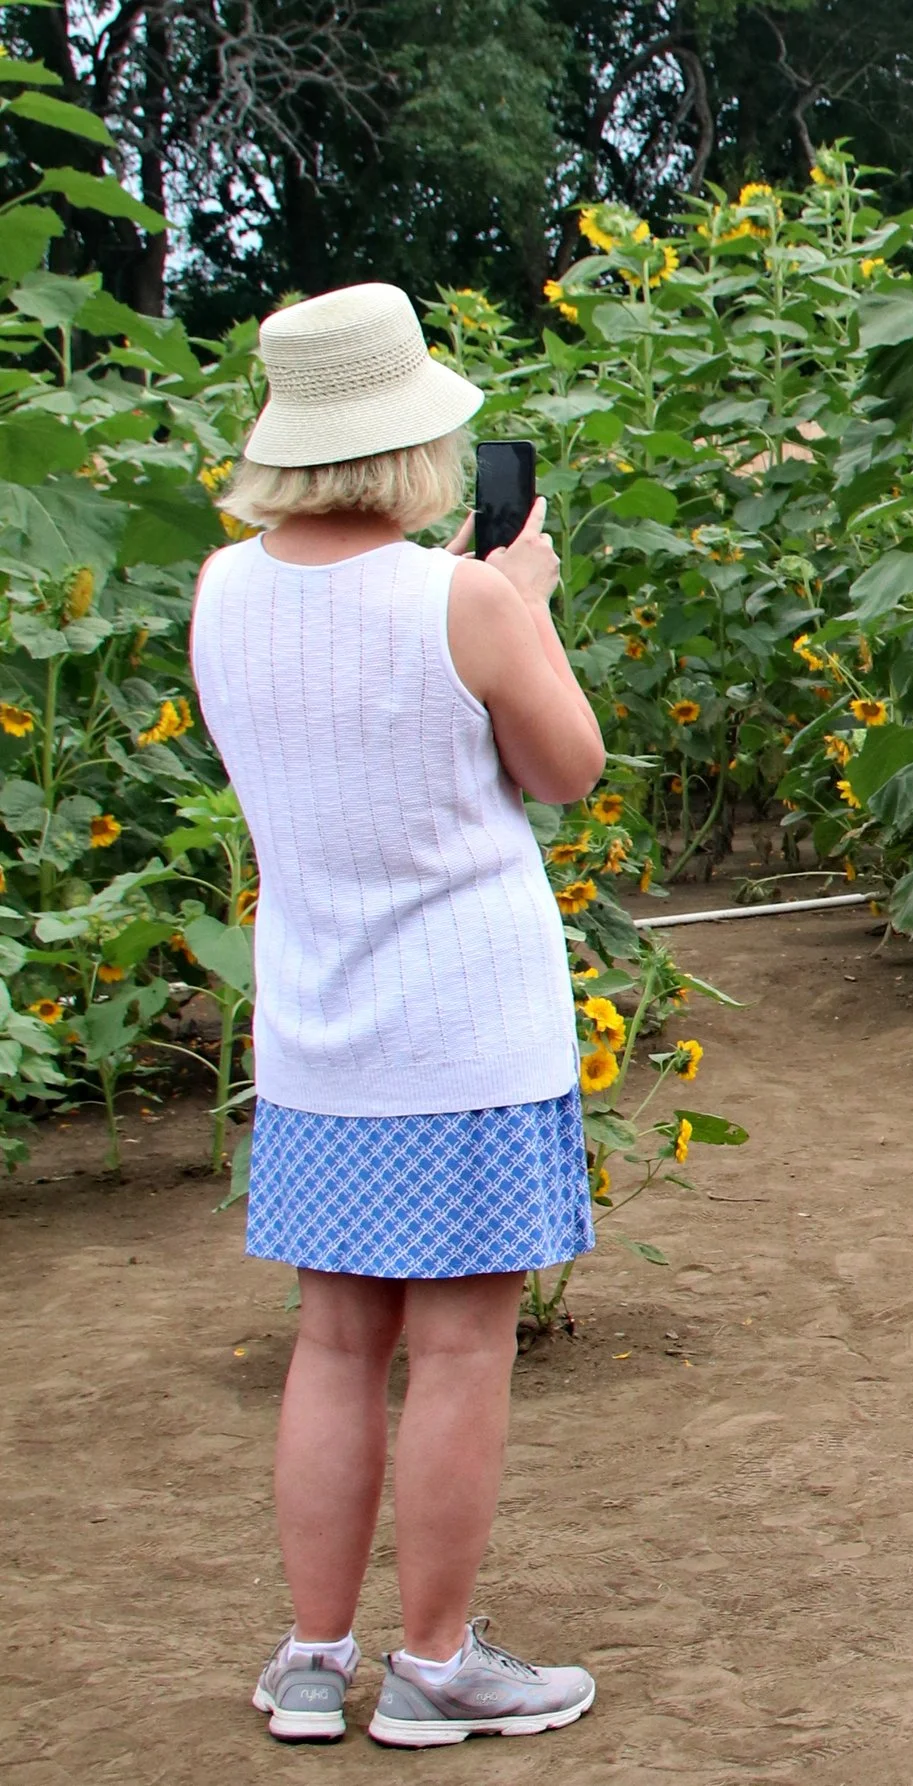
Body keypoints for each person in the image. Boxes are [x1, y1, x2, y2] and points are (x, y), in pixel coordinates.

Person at [193, 283, 604, 1746]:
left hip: (314, 1025)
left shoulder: (223, 586)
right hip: (467, 1031)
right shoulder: (464, 596)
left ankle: (314, 1658)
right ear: (409, 440)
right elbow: (568, 767)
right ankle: (435, 1667)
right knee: (463, 1344)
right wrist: (526, 606)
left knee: (333, 1341)